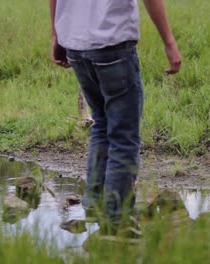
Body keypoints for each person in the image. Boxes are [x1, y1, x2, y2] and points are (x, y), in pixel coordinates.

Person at [49, 0, 182, 236]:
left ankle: (95, 204)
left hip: (75, 43)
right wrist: (169, 42)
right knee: (123, 135)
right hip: (113, 42)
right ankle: (117, 219)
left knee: (101, 123)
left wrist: (56, 34)